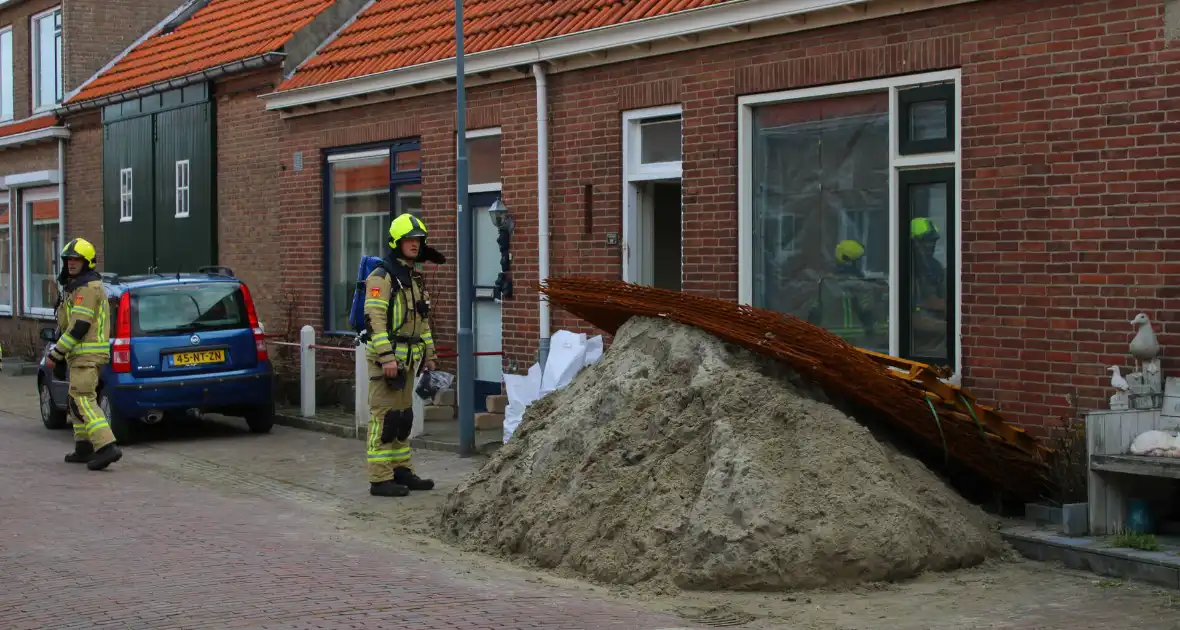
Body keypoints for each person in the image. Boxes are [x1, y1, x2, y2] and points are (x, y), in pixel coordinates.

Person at [362, 213, 440, 497]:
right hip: (388, 362)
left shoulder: (413, 280)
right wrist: (386, 358)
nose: (415, 244)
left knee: (403, 418)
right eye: (409, 239)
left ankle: (401, 470)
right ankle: (379, 479)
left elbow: (422, 322)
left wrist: (430, 354)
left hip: (408, 361)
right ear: (396, 241)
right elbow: (374, 319)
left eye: (418, 240)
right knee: (383, 419)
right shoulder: (381, 277)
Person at [45, 238, 122, 470]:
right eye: (68, 260)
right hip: (78, 356)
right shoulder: (77, 287)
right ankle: (84, 447)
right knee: (74, 400)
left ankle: (106, 446)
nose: (71, 264)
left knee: (84, 399)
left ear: (87, 262)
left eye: (76, 260)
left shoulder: (88, 289)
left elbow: (79, 326)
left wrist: (56, 354)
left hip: (86, 355)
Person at [812, 240, 887, 351]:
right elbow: (868, 312)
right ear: (851, 262)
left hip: (829, 339)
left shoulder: (824, 283)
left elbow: (814, 313)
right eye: (858, 261)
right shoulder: (860, 285)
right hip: (857, 341)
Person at [909, 217, 948, 357]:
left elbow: (938, 298)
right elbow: (917, 314)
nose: (931, 245)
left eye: (933, 241)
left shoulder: (934, 266)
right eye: (926, 241)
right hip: (914, 342)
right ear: (914, 242)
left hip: (933, 338)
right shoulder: (907, 270)